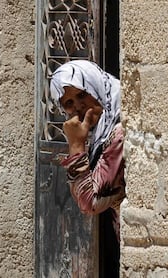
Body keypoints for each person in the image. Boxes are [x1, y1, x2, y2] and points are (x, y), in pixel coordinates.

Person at [49, 60, 126, 244]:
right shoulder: (101, 131)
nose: (78, 106)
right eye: (68, 103)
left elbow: (90, 202)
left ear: (96, 85)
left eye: (82, 94)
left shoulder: (118, 132)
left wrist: (76, 146)